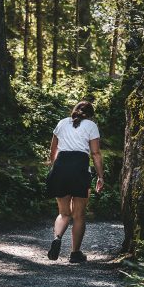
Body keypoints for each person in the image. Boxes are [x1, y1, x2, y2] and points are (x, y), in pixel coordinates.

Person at [45, 99, 104, 263]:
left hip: (61, 166)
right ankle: (75, 253)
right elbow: (96, 154)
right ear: (90, 115)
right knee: (79, 215)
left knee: (63, 213)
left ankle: (57, 238)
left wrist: (53, 165)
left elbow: (53, 149)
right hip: (79, 168)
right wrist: (100, 176)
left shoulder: (62, 123)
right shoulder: (91, 126)